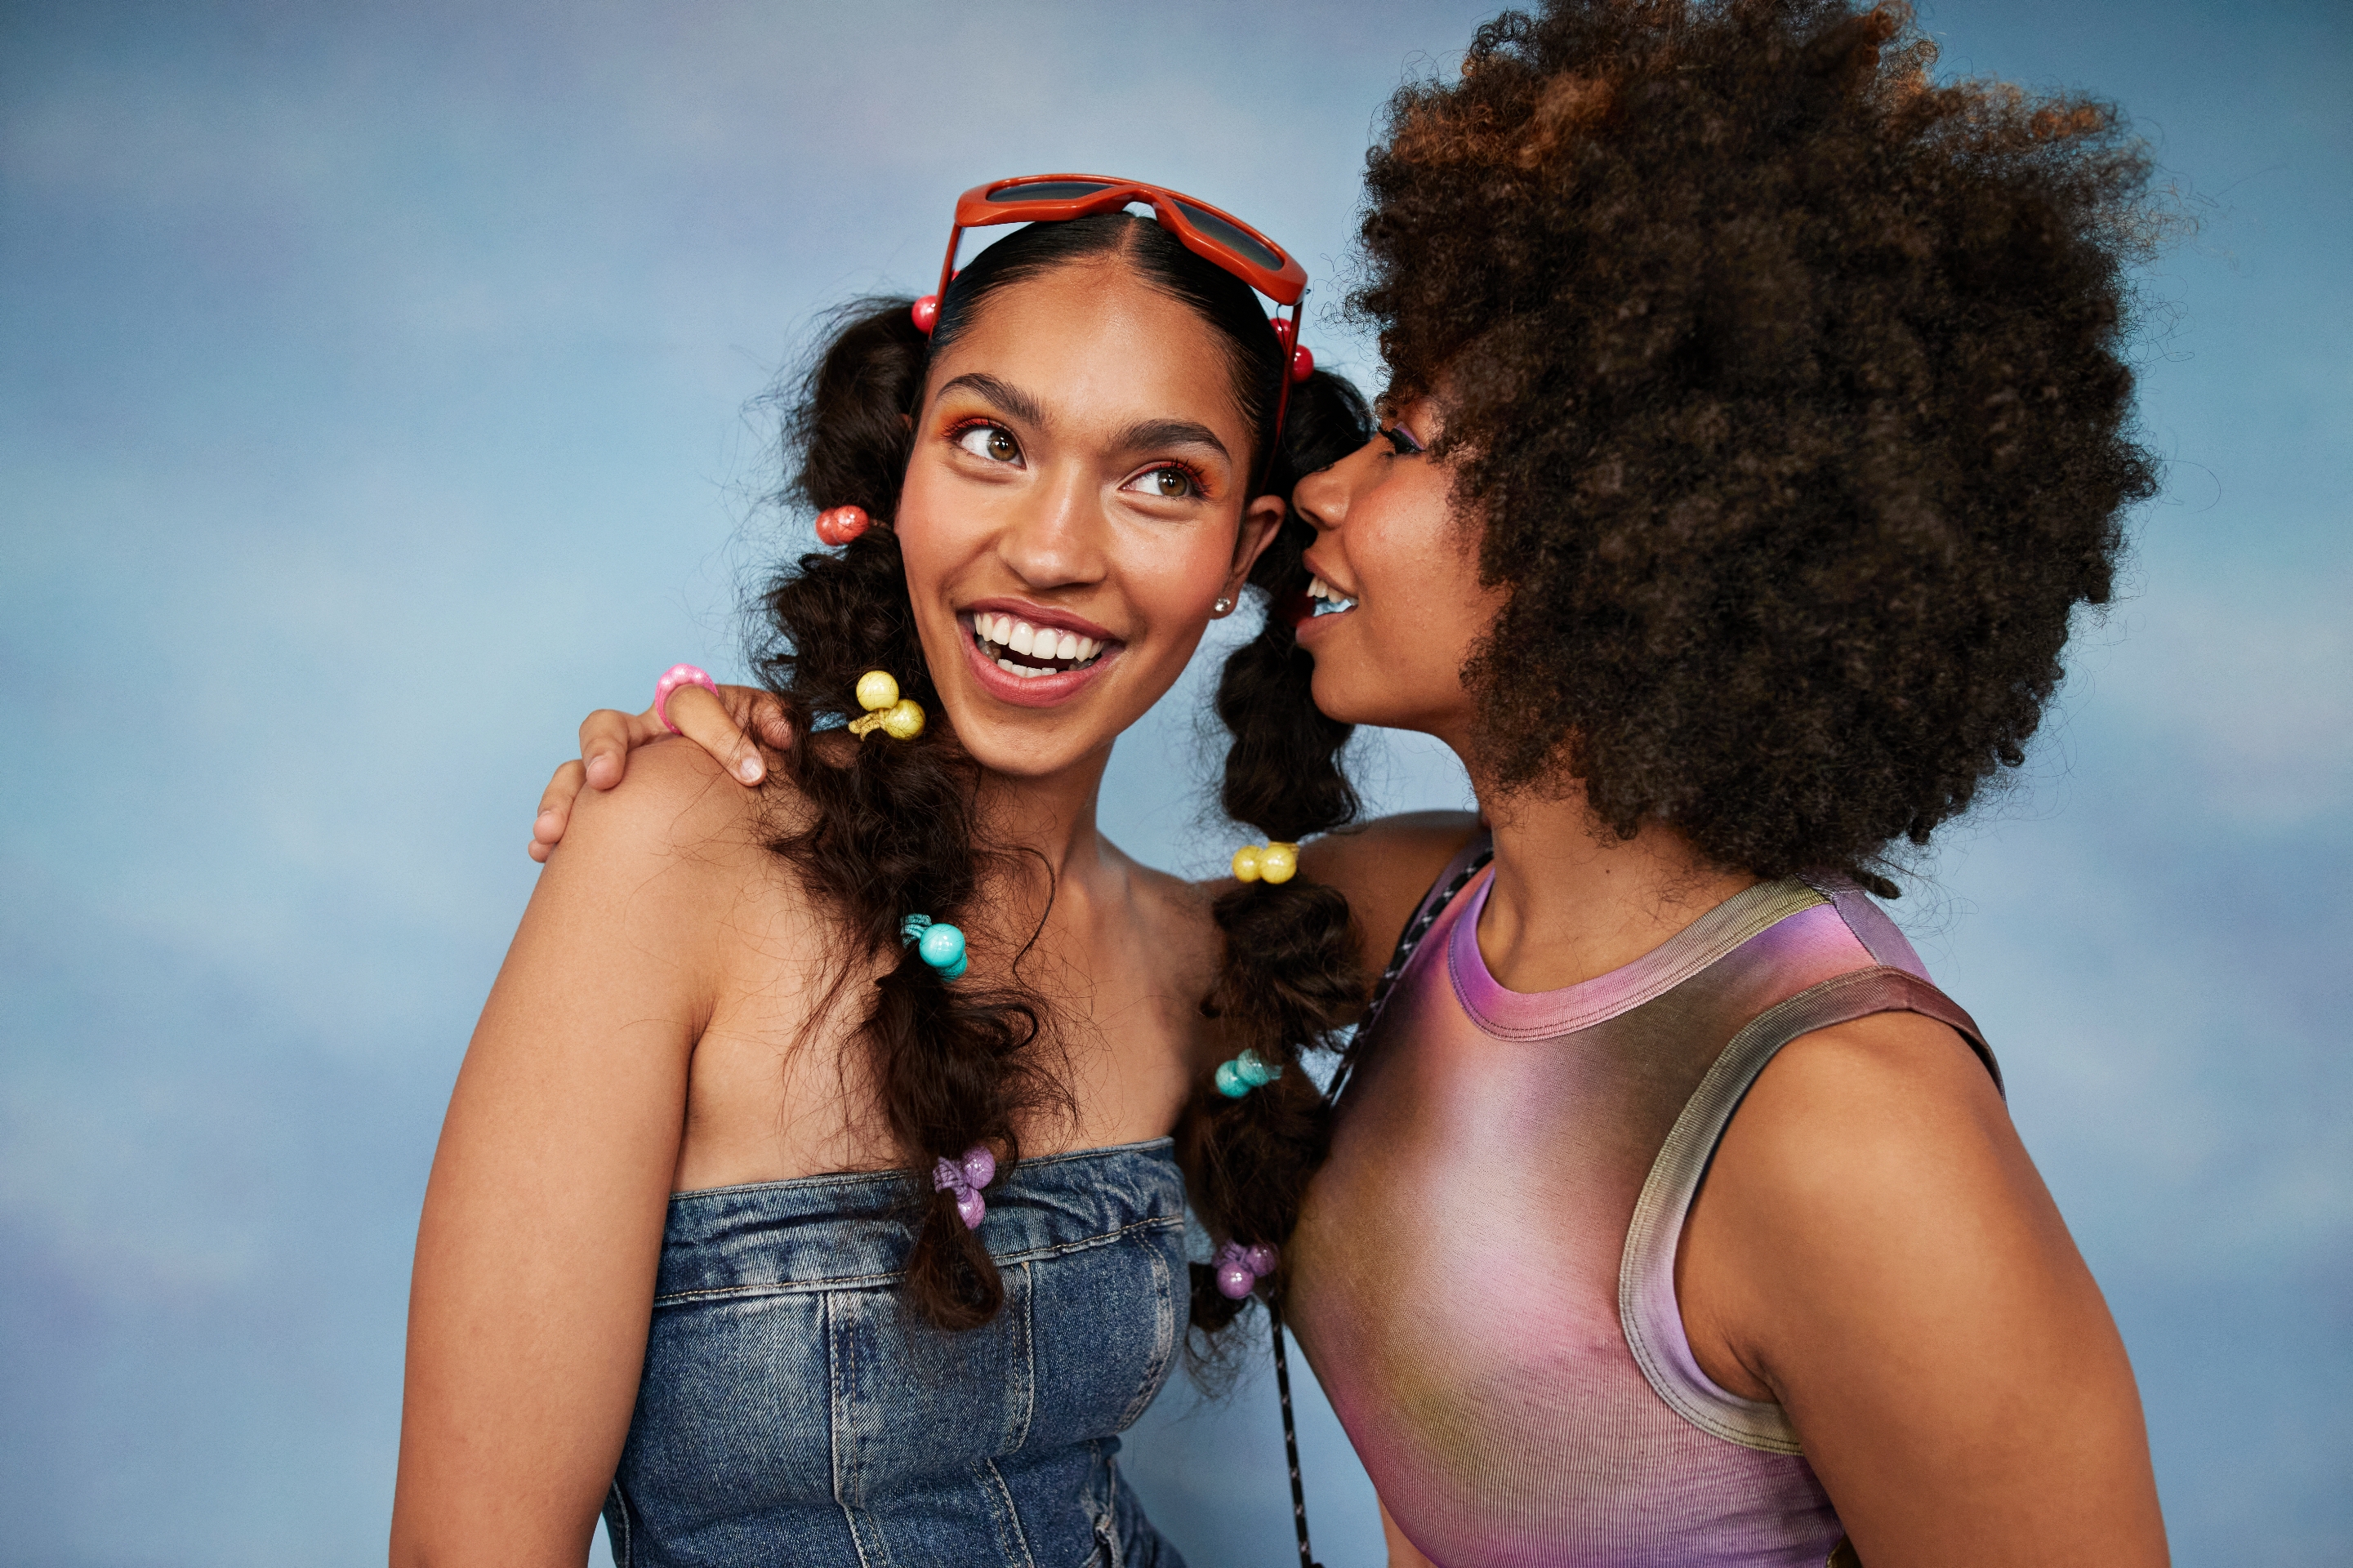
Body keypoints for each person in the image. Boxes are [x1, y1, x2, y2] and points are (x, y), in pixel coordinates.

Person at [541, 1, 2180, 1561]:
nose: (1324, 485)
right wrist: (751, 748)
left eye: (1404, 438)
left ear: (1617, 526)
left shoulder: (1848, 1128)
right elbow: (1012, 919)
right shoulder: (1421, 910)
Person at [391, 180, 1383, 1568]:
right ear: (898, 477)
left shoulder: (1209, 952)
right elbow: (469, 1547)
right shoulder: (683, 844)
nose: (1049, 551)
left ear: (1248, 551)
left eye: (1163, 480)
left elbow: (1596, 867)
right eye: (989, 442)